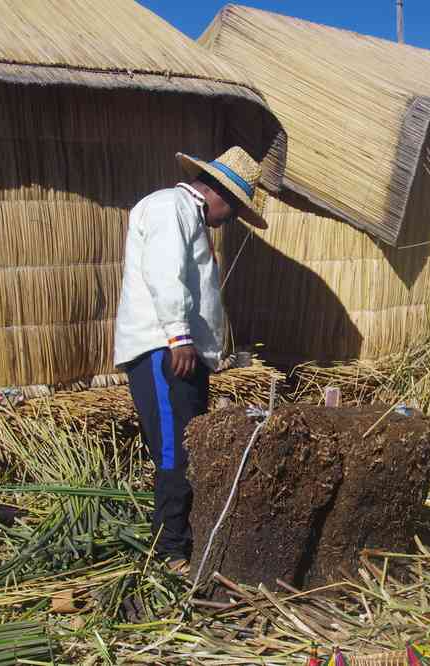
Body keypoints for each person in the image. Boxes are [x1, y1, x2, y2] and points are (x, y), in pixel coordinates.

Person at [114, 146, 267, 573]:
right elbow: (166, 272)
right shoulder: (170, 207)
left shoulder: (189, 216)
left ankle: (181, 540)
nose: (228, 221)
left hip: (182, 352)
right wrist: (178, 337)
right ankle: (169, 551)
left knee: (186, 447)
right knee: (172, 452)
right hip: (165, 350)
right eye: (233, 212)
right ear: (221, 194)